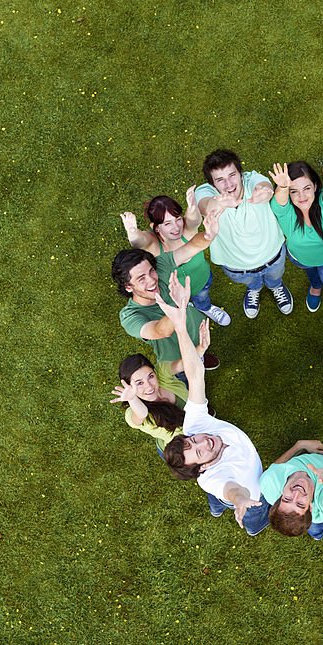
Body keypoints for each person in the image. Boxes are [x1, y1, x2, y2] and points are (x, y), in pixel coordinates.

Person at [157, 272, 270, 536]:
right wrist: (240, 501)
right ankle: (239, 517)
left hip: (225, 489)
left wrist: (181, 324)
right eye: (198, 452)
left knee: (217, 501)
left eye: (192, 441)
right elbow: (233, 489)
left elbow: (195, 375)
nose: (202, 441)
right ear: (204, 468)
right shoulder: (215, 478)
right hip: (245, 500)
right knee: (243, 511)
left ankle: (217, 507)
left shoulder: (196, 426)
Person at [113, 213, 221, 382]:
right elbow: (161, 331)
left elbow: (192, 246)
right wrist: (180, 304)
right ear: (128, 287)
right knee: (190, 380)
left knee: (201, 348)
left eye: (151, 271)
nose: (152, 280)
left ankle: (202, 355)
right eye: (141, 279)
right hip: (177, 356)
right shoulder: (129, 317)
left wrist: (209, 235)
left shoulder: (161, 265)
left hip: (195, 329)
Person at [195, 148, 293, 318]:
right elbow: (205, 205)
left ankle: (275, 286)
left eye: (232, 175)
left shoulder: (252, 179)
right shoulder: (205, 193)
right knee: (252, 284)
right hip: (237, 268)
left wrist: (264, 192)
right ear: (212, 184)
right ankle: (254, 290)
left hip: (273, 257)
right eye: (220, 180)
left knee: (275, 278)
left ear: (241, 173)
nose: (228, 184)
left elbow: (264, 186)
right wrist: (220, 204)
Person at [120, 187, 231, 326]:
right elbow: (138, 241)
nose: (176, 227)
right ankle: (188, 305)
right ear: (156, 227)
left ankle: (205, 307)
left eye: (177, 219)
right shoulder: (152, 243)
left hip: (202, 281)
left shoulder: (187, 229)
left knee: (202, 297)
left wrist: (192, 207)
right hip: (174, 292)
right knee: (181, 305)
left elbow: (194, 220)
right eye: (167, 223)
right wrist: (132, 231)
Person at [267, 161, 323, 312]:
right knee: (312, 275)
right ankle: (315, 286)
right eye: (294, 191)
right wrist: (282, 187)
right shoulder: (286, 212)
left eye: (307, 188)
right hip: (301, 258)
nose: (301, 196)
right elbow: (280, 201)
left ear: (315, 187)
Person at [110, 337, 208, 455]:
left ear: (155, 372)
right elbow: (142, 413)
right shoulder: (133, 412)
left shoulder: (161, 373)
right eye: (139, 383)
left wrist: (201, 349)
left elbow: (184, 363)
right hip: (181, 449)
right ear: (129, 387)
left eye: (150, 376)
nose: (149, 387)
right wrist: (132, 398)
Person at [259, 440, 323, 540]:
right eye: (300, 504)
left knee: (313, 525)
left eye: (287, 499)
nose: (296, 493)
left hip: (312, 517)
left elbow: (276, 468)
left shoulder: (268, 483)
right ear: (311, 508)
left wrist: (299, 445)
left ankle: (316, 535)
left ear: (280, 497)